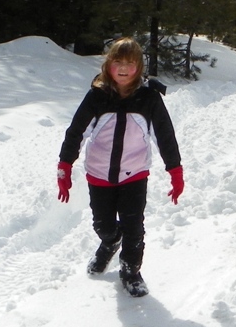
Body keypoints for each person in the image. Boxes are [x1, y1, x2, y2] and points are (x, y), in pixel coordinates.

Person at [56, 37, 184, 297]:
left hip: (134, 174)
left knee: (134, 226)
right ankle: (110, 241)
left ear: (139, 67)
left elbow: (165, 136)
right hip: (99, 174)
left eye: (130, 63)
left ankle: (131, 271)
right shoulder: (98, 96)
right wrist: (65, 166)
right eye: (118, 62)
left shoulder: (149, 99)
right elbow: (76, 132)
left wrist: (175, 171)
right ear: (108, 65)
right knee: (103, 225)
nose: (124, 68)